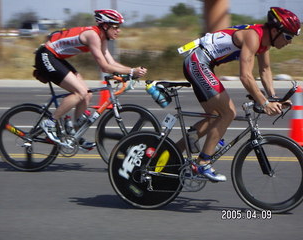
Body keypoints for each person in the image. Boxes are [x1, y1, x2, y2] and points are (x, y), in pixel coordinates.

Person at [176, 7, 301, 182]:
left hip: (203, 63)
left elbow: (265, 70)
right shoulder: (253, 37)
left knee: (216, 116)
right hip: (198, 61)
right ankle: (203, 163)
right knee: (228, 113)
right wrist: (264, 103)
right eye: (288, 36)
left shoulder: (264, 42)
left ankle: (173, 153)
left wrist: (273, 98)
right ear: (275, 31)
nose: (289, 42)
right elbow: (245, 76)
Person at [34, 9, 147, 148]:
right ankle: (50, 122)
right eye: (116, 27)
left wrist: (129, 72)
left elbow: (111, 63)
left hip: (56, 57)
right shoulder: (92, 35)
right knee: (80, 92)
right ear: (105, 26)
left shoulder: (102, 37)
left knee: (87, 94)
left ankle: (75, 136)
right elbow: (104, 67)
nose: (119, 31)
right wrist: (131, 71)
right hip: (46, 55)